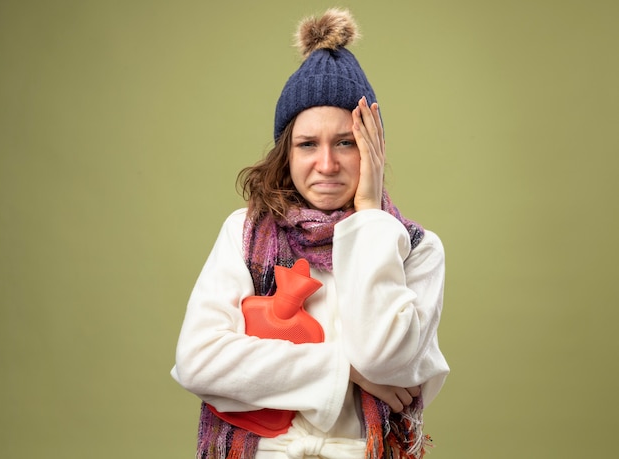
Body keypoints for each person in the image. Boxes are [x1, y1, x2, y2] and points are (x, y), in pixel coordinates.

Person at [171, 8, 449, 459]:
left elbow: (384, 358)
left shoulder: (416, 249)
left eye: (346, 142)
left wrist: (366, 213)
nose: (326, 165)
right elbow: (199, 361)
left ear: (373, 147)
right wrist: (345, 370)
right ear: (286, 151)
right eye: (307, 144)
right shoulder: (245, 233)